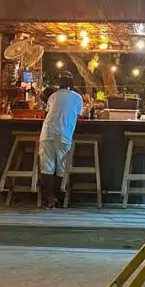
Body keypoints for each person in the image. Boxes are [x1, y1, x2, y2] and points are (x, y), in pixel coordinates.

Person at [38, 71, 84, 209]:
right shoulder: (77, 97)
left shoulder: (53, 96)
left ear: (59, 83)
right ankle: (60, 197)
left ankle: (49, 199)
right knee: (62, 167)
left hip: (47, 132)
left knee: (47, 166)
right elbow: (78, 116)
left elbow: (49, 111)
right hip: (64, 134)